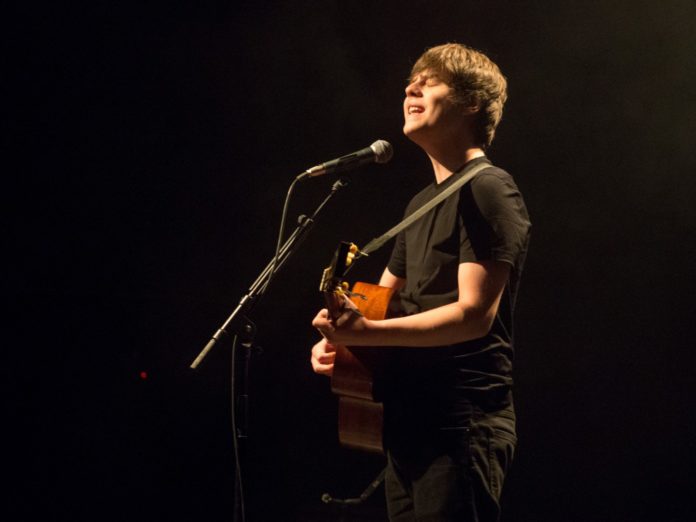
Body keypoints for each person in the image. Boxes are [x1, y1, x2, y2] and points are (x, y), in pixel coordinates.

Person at [310, 43, 531, 522]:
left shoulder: (488, 188)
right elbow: (380, 305)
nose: (411, 87)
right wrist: (344, 343)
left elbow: (474, 316)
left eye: (430, 81)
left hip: (460, 424)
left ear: (471, 102)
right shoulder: (419, 204)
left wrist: (366, 334)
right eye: (412, 81)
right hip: (408, 424)